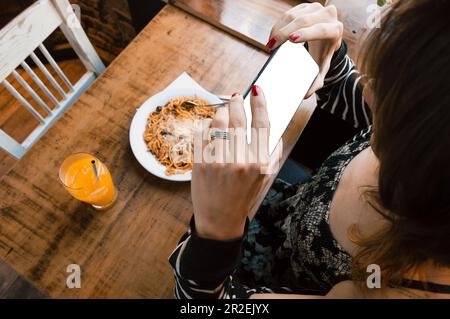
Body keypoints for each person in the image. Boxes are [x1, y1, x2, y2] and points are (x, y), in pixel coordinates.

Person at [169, 0, 450, 298]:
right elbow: (355, 98)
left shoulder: (383, 290)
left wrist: (215, 232)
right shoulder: (427, 136)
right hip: (274, 216)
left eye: (385, 90)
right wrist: (329, 56)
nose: (367, 90)